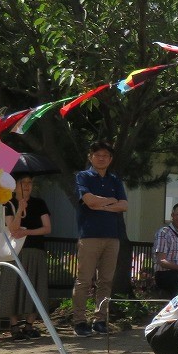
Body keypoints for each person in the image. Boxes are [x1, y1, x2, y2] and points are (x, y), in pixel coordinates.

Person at [71, 141, 127, 337]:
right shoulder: (83, 176)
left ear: (110, 159)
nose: (101, 158)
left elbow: (124, 205)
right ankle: (79, 321)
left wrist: (100, 205)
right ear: (90, 157)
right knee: (84, 280)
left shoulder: (115, 180)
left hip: (112, 236)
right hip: (89, 235)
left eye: (105, 155)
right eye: (98, 155)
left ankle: (100, 320)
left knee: (106, 281)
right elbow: (89, 201)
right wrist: (110, 202)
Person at [0, 174, 51, 339]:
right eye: (22, 182)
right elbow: (13, 228)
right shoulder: (7, 203)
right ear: (15, 185)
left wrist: (27, 232)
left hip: (35, 250)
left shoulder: (39, 203)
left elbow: (47, 228)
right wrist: (20, 209)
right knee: (12, 286)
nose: (27, 185)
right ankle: (14, 326)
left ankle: (29, 325)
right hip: (15, 251)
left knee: (36, 286)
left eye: (30, 182)